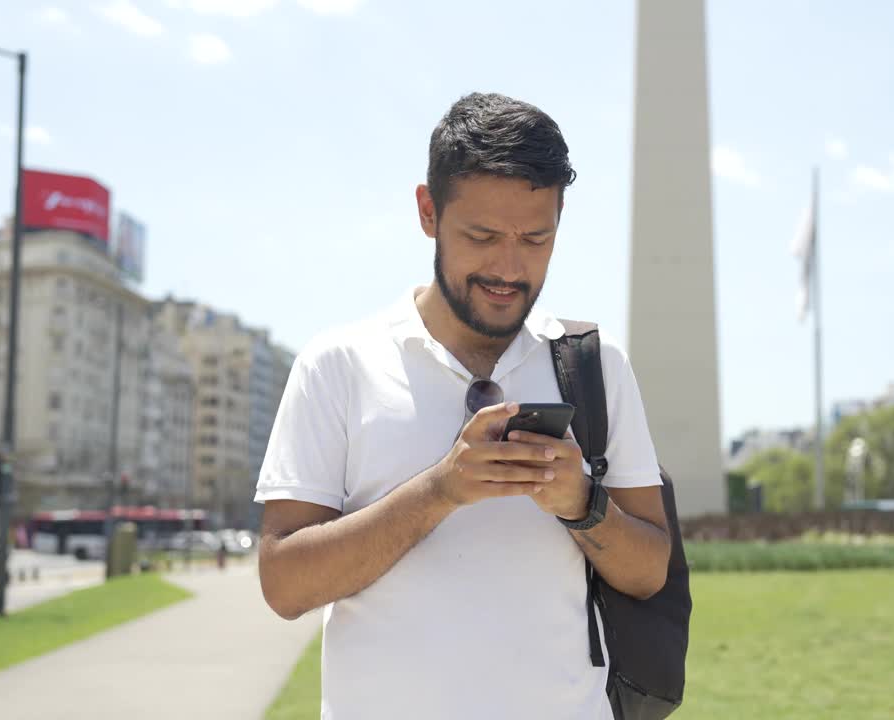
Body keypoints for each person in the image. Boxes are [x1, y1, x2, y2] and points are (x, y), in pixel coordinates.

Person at [255, 92, 672, 719]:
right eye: (482, 236)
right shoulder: (337, 364)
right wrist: (441, 490)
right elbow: (284, 585)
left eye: (536, 238)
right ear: (428, 210)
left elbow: (649, 573)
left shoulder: (594, 364)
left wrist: (582, 504)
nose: (509, 266)